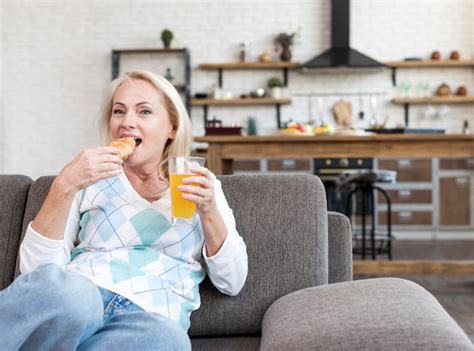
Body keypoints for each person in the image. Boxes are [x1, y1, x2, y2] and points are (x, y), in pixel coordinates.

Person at [0, 70, 248, 350]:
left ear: (172, 128)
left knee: (169, 340)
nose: (127, 122)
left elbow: (232, 282)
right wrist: (64, 185)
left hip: (147, 318)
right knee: (74, 293)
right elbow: (37, 273)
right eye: (119, 111)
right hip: (81, 302)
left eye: (144, 112)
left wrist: (209, 210)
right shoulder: (89, 176)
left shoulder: (200, 182)